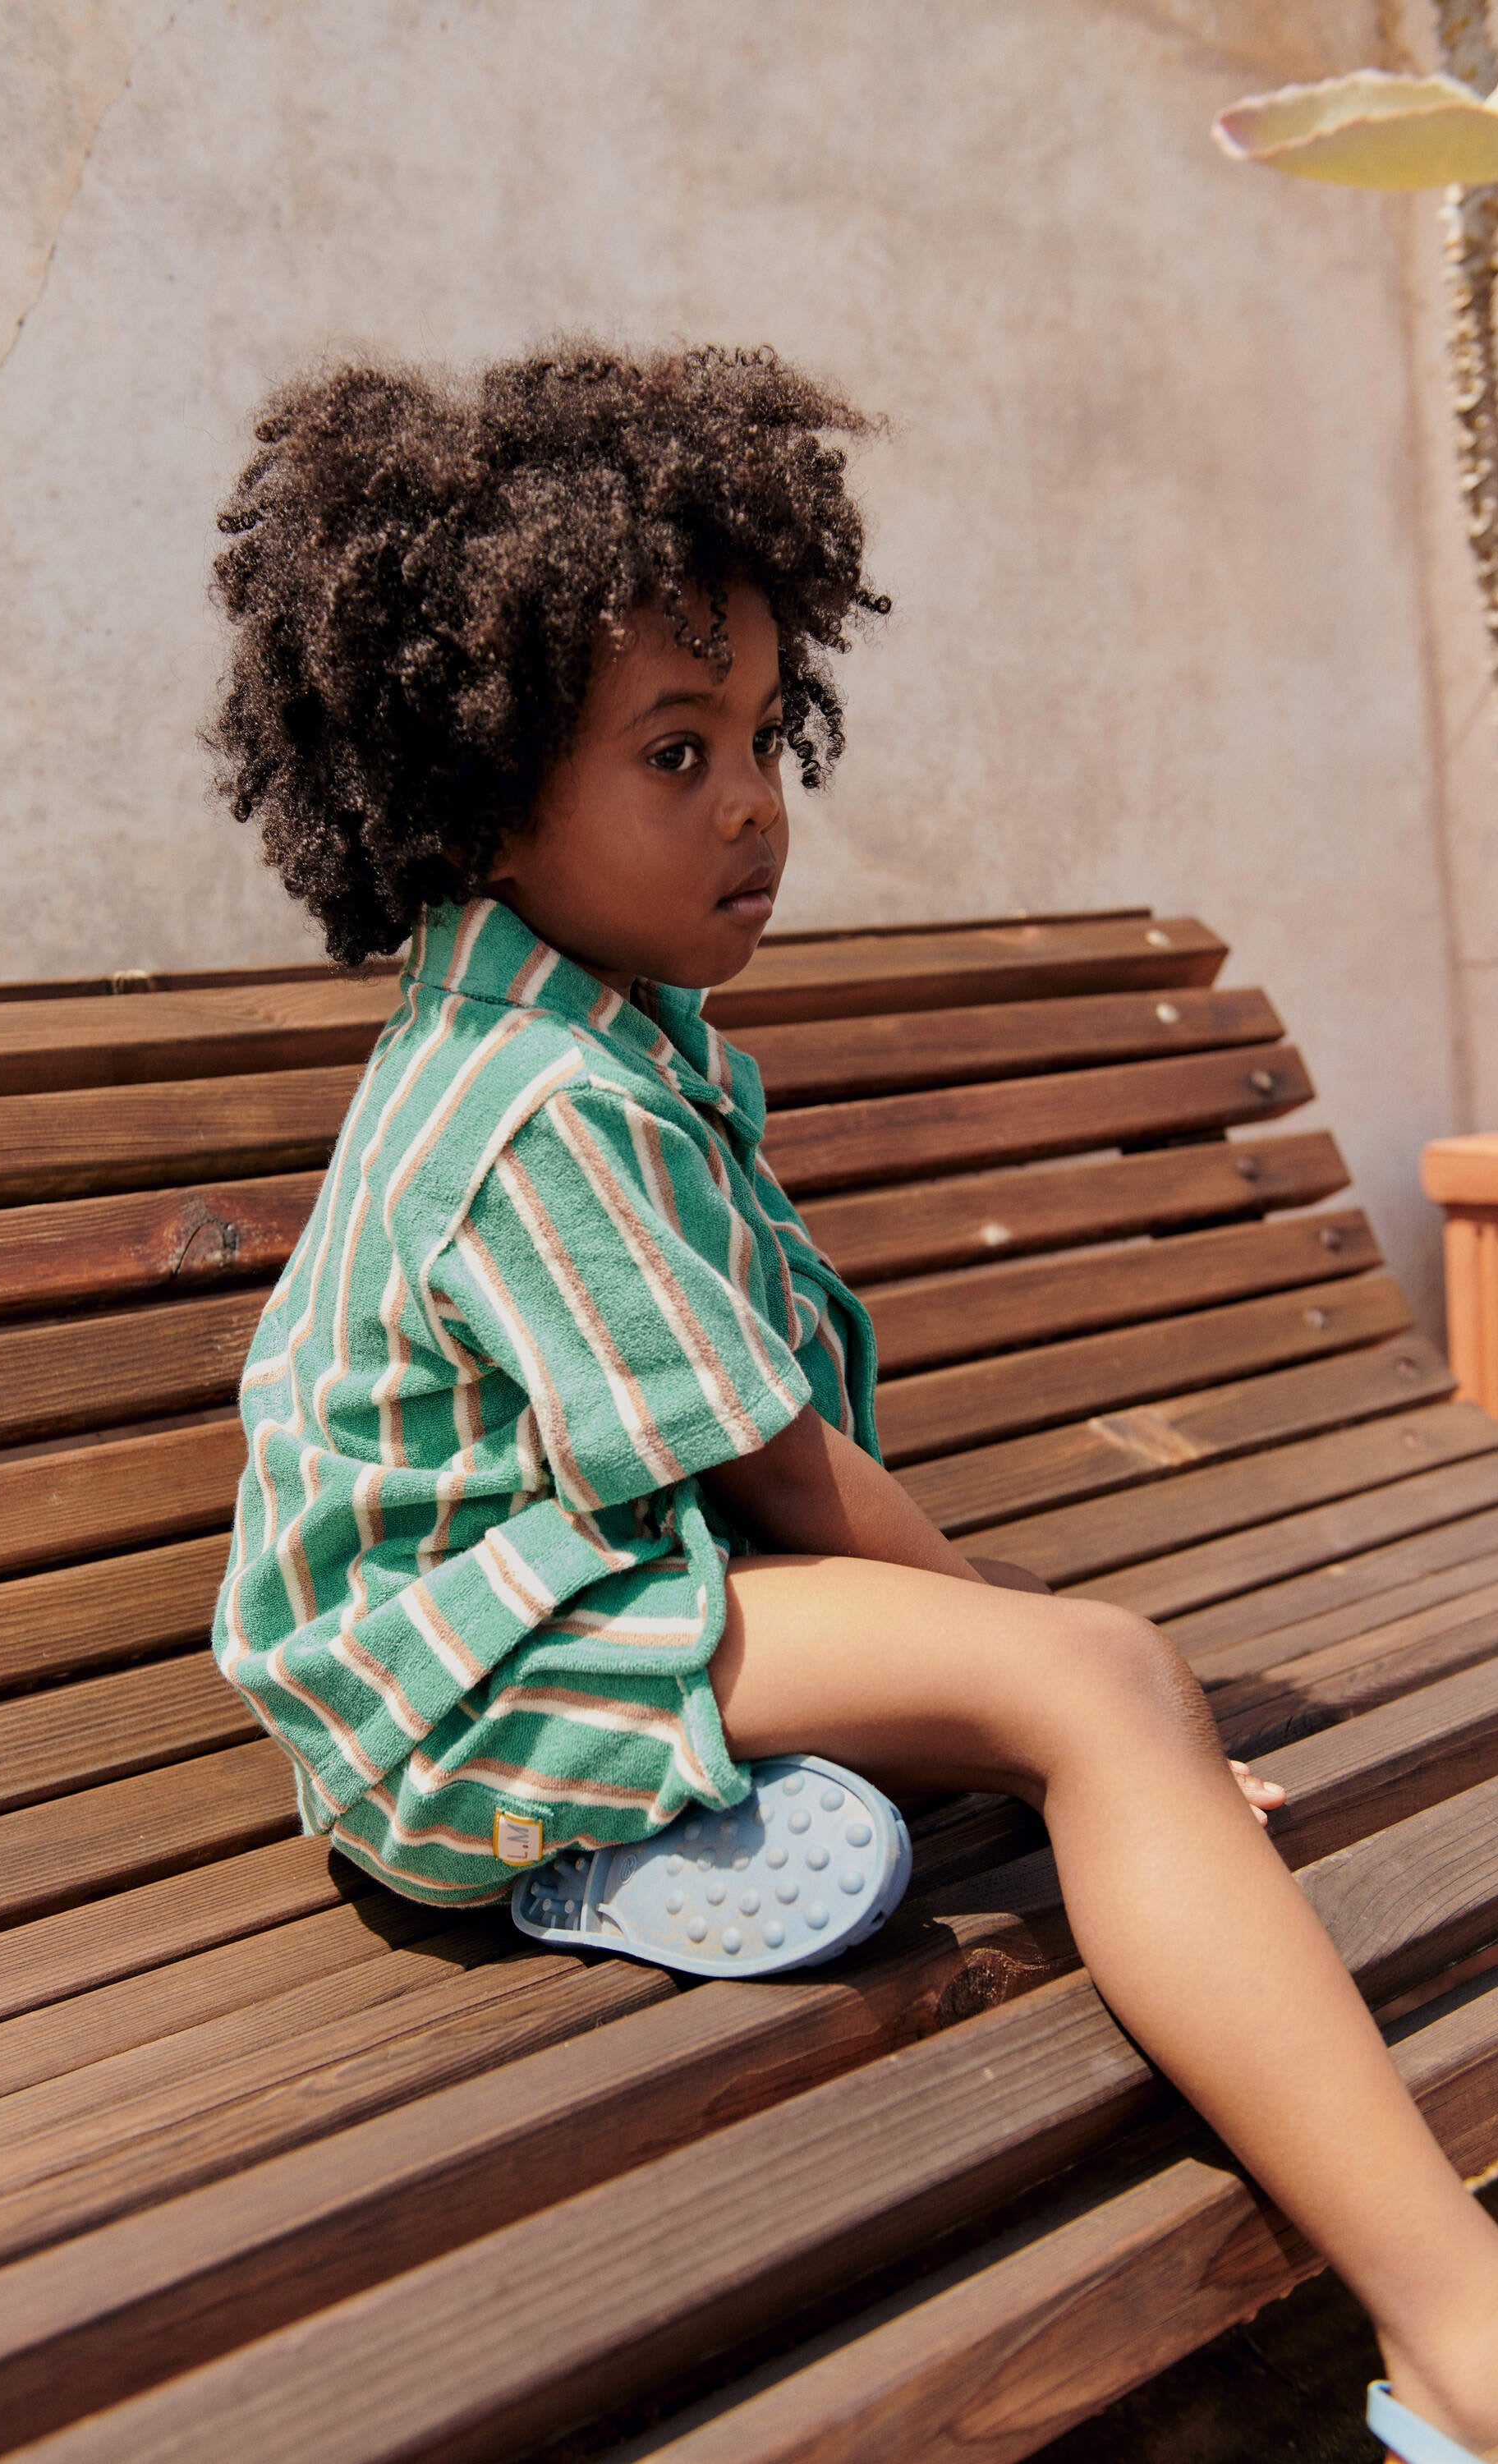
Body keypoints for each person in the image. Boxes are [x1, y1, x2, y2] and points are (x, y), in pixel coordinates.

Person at [205, 343, 1498, 2460]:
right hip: (471, 1675)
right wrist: (1056, 1679)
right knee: (1095, 1688)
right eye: (672, 751)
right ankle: (1460, 2331)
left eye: (762, 736)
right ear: (475, 787)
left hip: (589, 1588)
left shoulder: (607, 1030)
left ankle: (691, 1818)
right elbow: (779, 1464)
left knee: (1083, 1697)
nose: (750, 806)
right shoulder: (537, 1102)